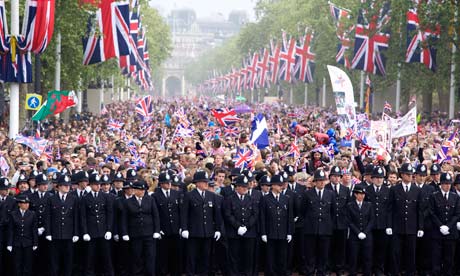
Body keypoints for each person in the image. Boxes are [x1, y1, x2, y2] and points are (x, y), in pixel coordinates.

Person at [180, 170, 222, 276]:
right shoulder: (189, 195)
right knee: (192, 257)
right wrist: (184, 228)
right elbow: (184, 214)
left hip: (207, 232)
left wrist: (217, 229)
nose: (206, 184)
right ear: (197, 183)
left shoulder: (211, 195)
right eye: (204, 181)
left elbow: (215, 214)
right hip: (194, 232)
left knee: (206, 256)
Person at [387, 163, 424, 276]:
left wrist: (420, 227)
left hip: (412, 227)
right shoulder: (394, 189)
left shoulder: (417, 190)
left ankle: (410, 273)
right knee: (396, 253)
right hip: (397, 227)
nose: (410, 176)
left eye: (411, 174)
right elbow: (390, 209)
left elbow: (420, 210)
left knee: (411, 254)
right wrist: (389, 225)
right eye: (407, 174)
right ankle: (395, 272)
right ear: (402, 175)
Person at [122, 180, 161, 276]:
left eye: (144, 190)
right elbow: (124, 219)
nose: (143, 191)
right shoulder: (128, 202)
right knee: (137, 257)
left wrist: (157, 230)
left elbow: (155, 216)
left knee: (150, 256)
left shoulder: (150, 199)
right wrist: (125, 233)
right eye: (140, 190)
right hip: (135, 234)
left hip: (149, 233)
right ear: (134, 190)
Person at [301, 169, 335, 276]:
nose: (321, 182)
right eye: (319, 180)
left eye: (323, 180)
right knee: (310, 254)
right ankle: (310, 272)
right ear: (314, 182)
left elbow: (333, 211)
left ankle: (322, 272)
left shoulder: (330, 194)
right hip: (311, 228)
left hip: (325, 229)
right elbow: (303, 211)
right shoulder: (307, 194)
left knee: (323, 254)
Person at [223, 175, 259, 276]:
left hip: (249, 232)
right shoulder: (229, 199)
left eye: (246, 187)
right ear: (237, 187)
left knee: (248, 257)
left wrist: (246, 227)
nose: (245, 189)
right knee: (234, 256)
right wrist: (238, 226)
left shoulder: (251, 199)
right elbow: (228, 214)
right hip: (234, 233)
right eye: (243, 186)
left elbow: (255, 214)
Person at [80, 173, 114, 276]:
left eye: (99, 184)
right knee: (90, 258)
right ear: (90, 185)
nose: (98, 186)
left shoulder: (105, 196)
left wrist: (109, 230)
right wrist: (85, 232)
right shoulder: (85, 198)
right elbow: (83, 216)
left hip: (103, 231)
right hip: (91, 232)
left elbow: (109, 214)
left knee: (107, 257)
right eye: (95, 184)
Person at [45, 174, 79, 276]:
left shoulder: (73, 199)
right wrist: (48, 232)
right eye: (64, 185)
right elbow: (48, 217)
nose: (67, 187)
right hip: (55, 235)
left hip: (68, 235)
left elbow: (76, 217)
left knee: (68, 261)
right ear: (59, 186)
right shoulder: (51, 199)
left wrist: (76, 233)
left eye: (68, 185)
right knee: (54, 261)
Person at [260, 174, 294, 276]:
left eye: (282, 185)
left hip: (283, 233)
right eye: (279, 185)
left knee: (282, 256)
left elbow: (289, 217)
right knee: (270, 257)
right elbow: (262, 217)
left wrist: (289, 232)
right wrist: (263, 233)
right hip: (270, 232)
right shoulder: (265, 199)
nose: (281, 187)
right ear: (273, 186)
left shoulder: (286, 199)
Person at [429, 173, 460, 276]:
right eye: (445, 183)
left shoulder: (455, 197)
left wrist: (448, 226)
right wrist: (440, 225)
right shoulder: (434, 196)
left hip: (451, 233)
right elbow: (432, 212)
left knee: (449, 259)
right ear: (441, 184)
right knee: (436, 259)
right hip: (437, 233)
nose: (447, 186)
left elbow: (457, 214)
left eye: (449, 183)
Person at [153, 172, 182, 276]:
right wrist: (158, 228)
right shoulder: (155, 196)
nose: (169, 184)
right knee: (163, 254)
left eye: (169, 182)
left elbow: (180, 211)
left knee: (176, 254)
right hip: (164, 230)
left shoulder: (176, 194)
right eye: (166, 182)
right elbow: (155, 214)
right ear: (161, 184)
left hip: (175, 229)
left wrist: (181, 227)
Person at [364, 166, 391, 276]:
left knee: (381, 249)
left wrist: (389, 225)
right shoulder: (367, 190)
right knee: (369, 250)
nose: (379, 180)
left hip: (382, 225)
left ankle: (379, 270)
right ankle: (368, 270)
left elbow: (390, 209)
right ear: (372, 178)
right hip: (369, 226)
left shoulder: (388, 191)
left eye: (381, 177)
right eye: (376, 177)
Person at [325, 165, 349, 276]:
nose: (336, 178)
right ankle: (328, 268)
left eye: (338, 176)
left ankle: (340, 268)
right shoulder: (325, 188)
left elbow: (348, 206)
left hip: (342, 223)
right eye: (334, 176)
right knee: (329, 247)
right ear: (330, 177)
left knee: (341, 247)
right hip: (329, 223)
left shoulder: (346, 189)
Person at [7, 193, 38, 276]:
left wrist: (35, 243)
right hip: (17, 243)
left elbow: (34, 229)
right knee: (17, 264)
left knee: (28, 264)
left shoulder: (32, 214)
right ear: (19, 204)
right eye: (24, 203)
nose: (26, 205)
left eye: (27, 203)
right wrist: (9, 243)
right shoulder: (13, 214)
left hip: (28, 243)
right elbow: (11, 230)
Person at [346, 186, 374, 276]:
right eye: (360, 194)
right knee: (353, 257)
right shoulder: (350, 205)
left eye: (363, 194)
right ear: (355, 194)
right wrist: (358, 232)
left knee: (367, 257)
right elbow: (349, 221)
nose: (362, 196)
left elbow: (372, 220)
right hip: (354, 236)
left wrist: (365, 232)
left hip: (367, 235)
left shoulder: (369, 205)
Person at [29, 174, 52, 276]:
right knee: (35, 255)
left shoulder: (51, 197)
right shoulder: (30, 197)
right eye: (42, 184)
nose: (45, 186)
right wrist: (35, 228)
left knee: (47, 255)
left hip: (47, 230)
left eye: (46, 184)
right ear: (37, 185)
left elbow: (53, 216)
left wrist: (44, 228)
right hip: (34, 230)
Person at [414, 164, 435, 276]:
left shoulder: (430, 189)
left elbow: (431, 206)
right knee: (414, 248)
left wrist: (423, 216)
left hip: (426, 223)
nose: (421, 178)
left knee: (426, 248)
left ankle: (425, 269)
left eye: (423, 175)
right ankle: (415, 268)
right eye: (419, 175)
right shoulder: (411, 187)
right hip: (413, 223)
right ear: (415, 175)